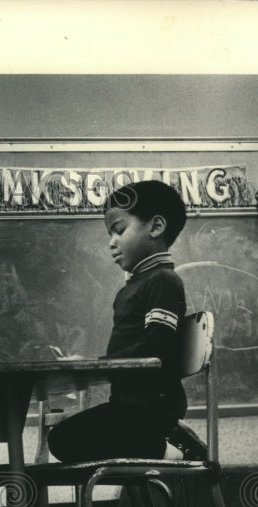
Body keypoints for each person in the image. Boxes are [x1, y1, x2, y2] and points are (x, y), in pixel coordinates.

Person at [48, 180, 204, 462]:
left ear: (156, 227)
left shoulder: (164, 281)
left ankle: (175, 450)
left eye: (119, 230)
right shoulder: (133, 287)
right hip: (127, 404)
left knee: (63, 439)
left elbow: (156, 348)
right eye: (110, 233)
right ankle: (158, 447)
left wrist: (95, 365)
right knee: (60, 437)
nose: (111, 242)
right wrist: (94, 366)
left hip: (151, 409)